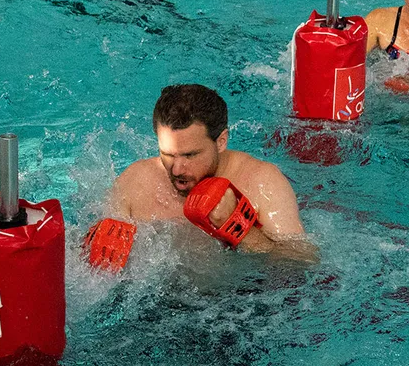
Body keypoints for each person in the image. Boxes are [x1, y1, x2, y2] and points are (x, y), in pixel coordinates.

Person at [84, 84, 316, 271]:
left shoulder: (261, 181)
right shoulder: (135, 182)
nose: (176, 170)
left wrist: (239, 226)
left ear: (221, 141)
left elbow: (302, 263)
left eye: (190, 155)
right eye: (167, 154)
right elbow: (91, 271)